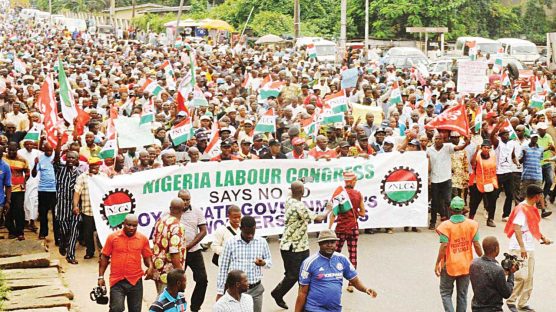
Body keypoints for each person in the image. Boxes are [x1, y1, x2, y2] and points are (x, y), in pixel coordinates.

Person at [271, 180, 333, 309]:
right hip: (293, 247)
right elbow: (319, 218)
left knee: (304, 274)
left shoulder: (289, 199)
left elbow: (293, 190)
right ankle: (278, 293)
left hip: (301, 245)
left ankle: (305, 302)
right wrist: (328, 210)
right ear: (303, 192)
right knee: (293, 275)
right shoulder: (299, 206)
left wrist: (300, 182)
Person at [295, 229, 377, 312]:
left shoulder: (342, 259)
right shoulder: (309, 263)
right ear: (319, 244)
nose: (329, 245)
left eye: (332, 242)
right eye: (326, 242)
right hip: (314, 309)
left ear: (336, 243)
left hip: (335, 309)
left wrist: (366, 289)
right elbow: (302, 292)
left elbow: (355, 281)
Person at [504, 184, 552, 312]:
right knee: (521, 276)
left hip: (529, 247)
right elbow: (517, 228)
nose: (542, 198)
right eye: (541, 195)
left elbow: (532, 227)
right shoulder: (522, 209)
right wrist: (522, 247)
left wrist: (543, 238)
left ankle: (523, 303)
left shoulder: (531, 207)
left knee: (529, 277)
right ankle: (511, 301)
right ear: (536, 197)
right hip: (520, 248)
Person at [435, 196, 483, 312]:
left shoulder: (445, 226)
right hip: (466, 265)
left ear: (450, 209)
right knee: (462, 295)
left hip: (449, 265)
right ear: (463, 210)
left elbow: (444, 246)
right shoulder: (472, 225)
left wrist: (437, 263)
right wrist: (483, 259)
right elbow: (476, 244)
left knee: (446, 293)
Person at [99, 214, 154, 312]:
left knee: (135, 310)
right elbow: (104, 257)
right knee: (116, 308)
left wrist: (150, 266)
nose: (131, 228)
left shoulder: (143, 239)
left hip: (135, 281)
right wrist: (101, 277)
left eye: (134, 226)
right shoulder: (112, 238)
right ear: (123, 223)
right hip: (117, 281)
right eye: (129, 225)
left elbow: (147, 256)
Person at [216, 216, 272, 312]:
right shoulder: (230, 243)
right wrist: (220, 292)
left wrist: (263, 263)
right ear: (241, 228)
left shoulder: (262, 242)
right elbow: (223, 268)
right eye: (247, 233)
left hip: (255, 289)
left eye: (252, 233)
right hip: (236, 291)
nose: (250, 235)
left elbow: (269, 262)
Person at [328, 171, 366, 293]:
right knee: (353, 255)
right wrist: (355, 212)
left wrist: (329, 229)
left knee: (334, 254)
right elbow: (363, 213)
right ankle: (351, 284)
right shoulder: (358, 194)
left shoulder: (339, 194)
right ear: (353, 181)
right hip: (353, 228)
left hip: (341, 229)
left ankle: (332, 280)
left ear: (345, 182)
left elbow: (334, 213)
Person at [427, 133, 469, 229]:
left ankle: (452, 221)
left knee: (448, 201)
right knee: (435, 202)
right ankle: (432, 222)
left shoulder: (448, 147)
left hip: (446, 179)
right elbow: (425, 161)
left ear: (443, 140)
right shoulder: (429, 150)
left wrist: (466, 143)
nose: (437, 140)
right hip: (434, 180)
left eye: (439, 139)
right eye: (436, 139)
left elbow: (459, 148)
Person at [53, 134, 82, 264]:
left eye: (73, 158)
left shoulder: (80, 174)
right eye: (68, 157)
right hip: (61, 207)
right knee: (64, 230)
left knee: (74, 231)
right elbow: (57, 156)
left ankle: (70, 256)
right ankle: (63, 243)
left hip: (74, 208)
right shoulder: (60, 169)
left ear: (77, 160)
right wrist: (59, 141)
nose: (70, 159)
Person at [178, 190, 208, 312]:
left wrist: (190, 246)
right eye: (183, 199)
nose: (185, 202)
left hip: (194, 251)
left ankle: (195, 307)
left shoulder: (196, 211)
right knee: (178, 282)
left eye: (187, 199)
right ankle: (179, 307)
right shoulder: (171, 211)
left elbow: (203, 231)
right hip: (178, 254)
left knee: (202, 280)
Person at [469, 236, 516, 312]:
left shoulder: (474, 264)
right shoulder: (498, 270)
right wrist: (511, 274)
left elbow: (486, 278)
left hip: (476, 308)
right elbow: (507, 293)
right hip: (493, 309)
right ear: (496, 248)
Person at [152, 198, 187, 294]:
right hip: (170, 274)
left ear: (170, 208)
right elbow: (174, 252)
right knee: (167, 303)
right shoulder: (177, 226)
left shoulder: (160, 221)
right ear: (183, 210)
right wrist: (181, 274)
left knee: (161, 298)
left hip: (158, 269)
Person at [73, 157, 103, 259]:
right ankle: (90, 251)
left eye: (97, 165)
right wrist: (75, 205)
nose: (95, 167)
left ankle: (103, 252)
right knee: (88, 233)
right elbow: (77, 192)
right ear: (89, 166)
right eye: (93, 165)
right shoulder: (82, 177)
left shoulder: (103, 176)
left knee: (101, 232)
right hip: (87, 209)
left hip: (101, 210)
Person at [469, 140, 499, 227]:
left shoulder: (493, 156)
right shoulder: (477, 156)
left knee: (492, 201)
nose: (486, 149)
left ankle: (490, 219)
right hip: (478, 182)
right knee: (474, 202)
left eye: (488, 148)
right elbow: (472, 163)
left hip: (491, 181)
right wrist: (476, 152)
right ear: (481, 148)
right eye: (484, 147)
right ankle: (471, 219)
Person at [3, 141, 29, 240]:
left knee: (18, 210)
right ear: (7, 150)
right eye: (10, 150)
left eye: (13, 150)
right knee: (8, 211)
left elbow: (27, 172)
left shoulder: (23, 160)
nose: (11, 152)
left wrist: (24, 182)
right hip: (5, 189)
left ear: (17, 150)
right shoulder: (3, 158)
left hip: (18, 189)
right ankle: (11, 231)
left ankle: (20, 232)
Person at [32, 143, 58, 241]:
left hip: (54, 190)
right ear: (43, 150)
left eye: (50, 151)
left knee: (56, 214)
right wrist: (35, 164)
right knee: (43, 213)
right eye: (47, 150)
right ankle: (43, 232)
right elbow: (34, 175)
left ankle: (57, 236)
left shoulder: (55, 157)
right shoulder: (40, 158)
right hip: (42, 190)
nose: (49, 152)